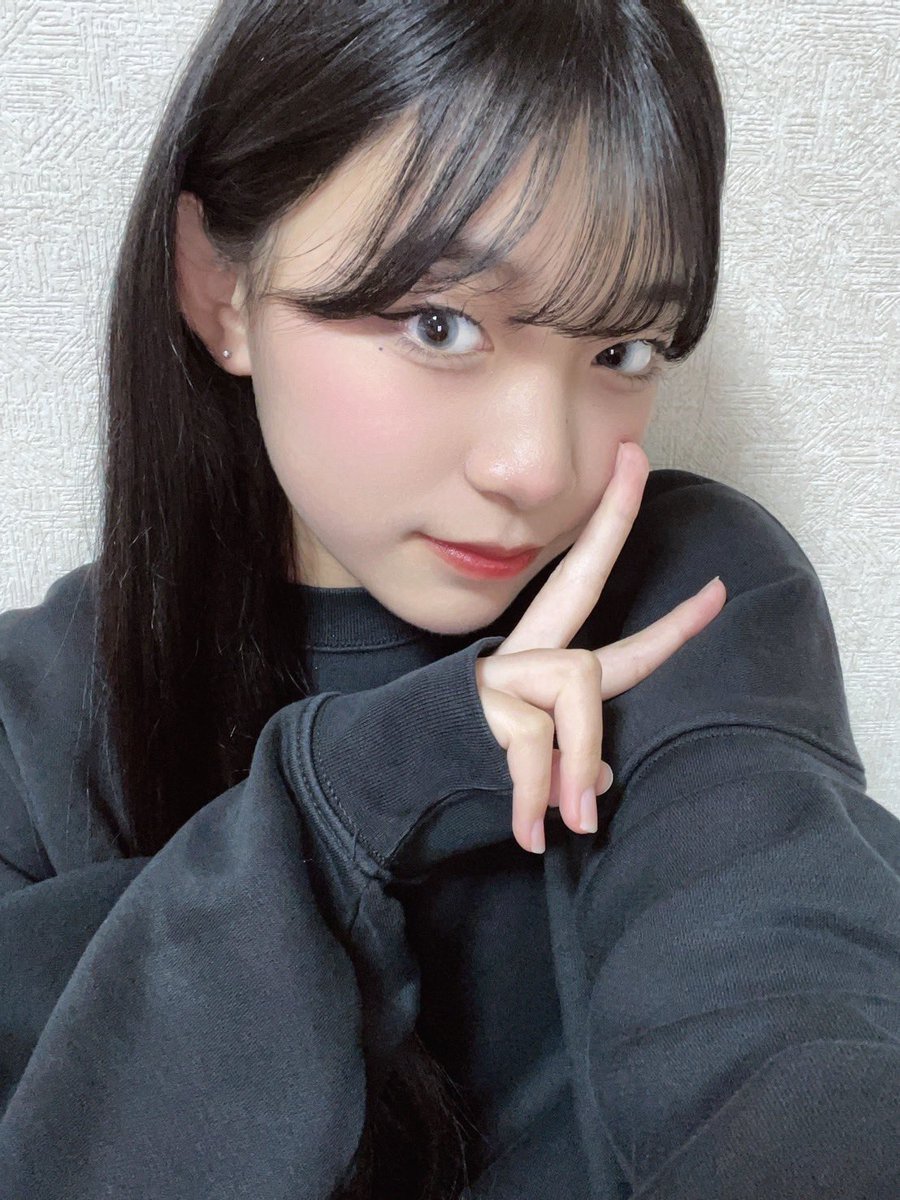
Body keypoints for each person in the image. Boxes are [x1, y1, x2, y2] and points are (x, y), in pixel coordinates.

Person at [1, 0, 897, 1196]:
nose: (539, 467)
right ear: (221, 289)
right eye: (439, 324)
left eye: (622, 350)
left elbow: (781, 998)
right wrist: (354, 795)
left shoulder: (686, 600)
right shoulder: (33, 725)